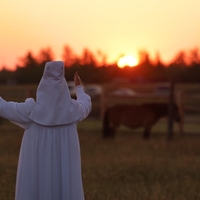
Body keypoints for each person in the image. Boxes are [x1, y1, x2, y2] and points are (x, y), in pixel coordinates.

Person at [0, 61, 92, 200]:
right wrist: (79, 88)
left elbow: (3, 107)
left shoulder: (30, 112)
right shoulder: (73, 112)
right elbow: (86, 103)